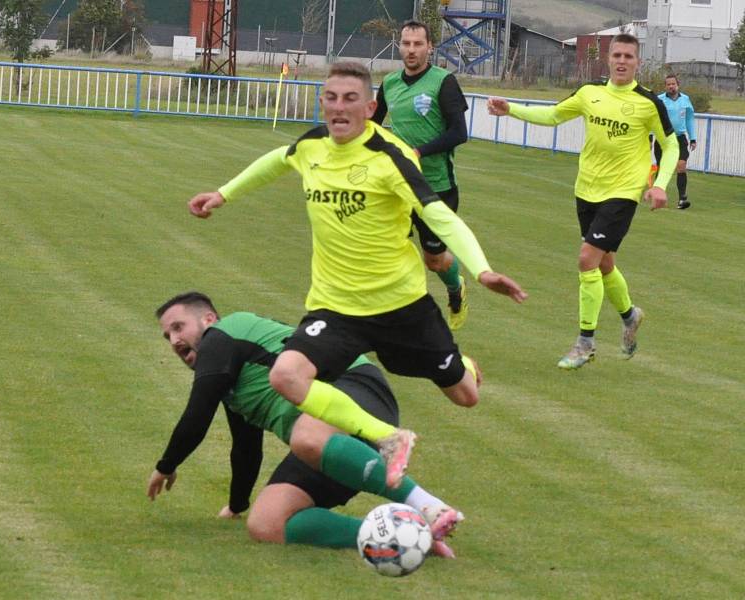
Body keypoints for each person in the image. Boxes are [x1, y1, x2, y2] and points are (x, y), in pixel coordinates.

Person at [188, 61, 527, 488]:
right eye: (330, 98)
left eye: (350, 99)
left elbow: (439, 216)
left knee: (465, 397)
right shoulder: (311, 146)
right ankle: (388, 437)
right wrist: (223, 194)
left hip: (401, 306)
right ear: (322, 103)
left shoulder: (391, 157)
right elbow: (277, 160)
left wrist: (482, 271)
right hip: (337, 307)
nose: (339, 107)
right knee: (286, 375)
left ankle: (461, 364)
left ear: (370, 107)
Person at [147, 291, 463, 557]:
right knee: (267, 524)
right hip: (325, 440)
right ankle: (409, 537)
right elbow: (245, 447)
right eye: (167, 335)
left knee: (307, 437)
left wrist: (166, 465)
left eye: (178, 327)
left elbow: (197, 415)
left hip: (356, 388)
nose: (174, 340)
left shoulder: (224, 334)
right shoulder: (232, 382)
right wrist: (236, 505)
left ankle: (427, 506)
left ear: (209, 320)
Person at [487, 33, 679, 370]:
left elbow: (671, 144)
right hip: (586, 190)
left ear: (637, 62)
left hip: (623, 193)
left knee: (587, 259)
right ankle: (630, 316)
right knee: (604, 264)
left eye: (628, 57)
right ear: (609, 59)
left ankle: (585, 344)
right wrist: (511, 109)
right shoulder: (590, 93)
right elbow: (554, 116)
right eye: (616, 55)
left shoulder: (649, 103)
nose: (621, 61)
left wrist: (660, 185)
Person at [372, 20, 470, 330]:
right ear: (399, 45)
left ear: (430, 47)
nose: (411, 50)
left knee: (434, 260)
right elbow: (372, 127)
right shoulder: (389, 83)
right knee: (390, 251)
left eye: (418, 44)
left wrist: (418, 153)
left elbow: (459, 133)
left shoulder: (444, 81)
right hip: (397, 187)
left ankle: (455, 289)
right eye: (406, 43)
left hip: (436, 187)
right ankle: (393, 315)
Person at [656, 74, 696, 209]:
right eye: (668, 84)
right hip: (664, 139)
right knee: (662, 169)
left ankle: (682, 199)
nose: (671, 86)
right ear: (665, 86)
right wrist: (650, 137)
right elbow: (652, 118)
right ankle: (658, 197)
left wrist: (693, 137)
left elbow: (690, 119)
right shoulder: (659, 100)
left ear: (677, 85)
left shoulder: (685, 100)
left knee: (681, 165)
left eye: (673, 84)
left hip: (679, 138)